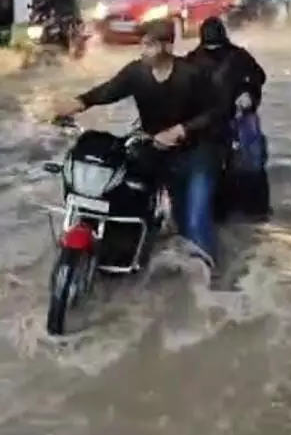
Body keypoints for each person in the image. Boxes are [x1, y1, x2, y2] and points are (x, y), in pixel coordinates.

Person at [52, 25, 227, 269]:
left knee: (194, 220)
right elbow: (108, 91)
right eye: (142, 44)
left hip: (195, 152)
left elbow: (217, 111)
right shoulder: (137, 72)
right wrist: (79, 102)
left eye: (150, 45)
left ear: (167, 46)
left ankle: (205, 280)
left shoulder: (192, 74)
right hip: (153, 146)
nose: (143, 51)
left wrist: (181, 130)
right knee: (126, 189)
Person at [186, 17, 270, 221]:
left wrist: (247, 92)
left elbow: (257, 77)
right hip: (224, 123)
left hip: (217, 124)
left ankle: (222, 212)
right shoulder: (238, 56)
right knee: (246, 168)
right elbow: (259, 76)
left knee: (221, 169)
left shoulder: (192, 59)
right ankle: (250, 212)